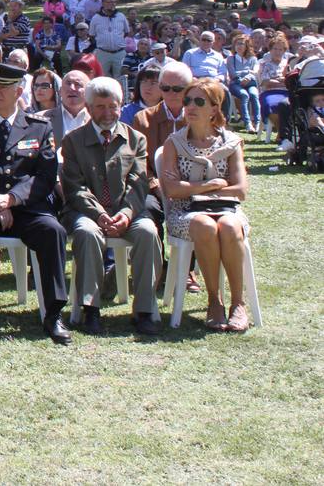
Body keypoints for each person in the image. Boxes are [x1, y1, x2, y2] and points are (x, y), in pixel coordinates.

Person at [0, 63, 71, 344]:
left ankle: (53, 313)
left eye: (3, 88)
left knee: (52, 231)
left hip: (27, 206)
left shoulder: (39, 128)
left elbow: (44, 175)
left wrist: (12, 199)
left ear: (19, 91)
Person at [60, 77, 162, 336]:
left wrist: (126, 214)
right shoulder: (73, 140)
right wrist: (100, 214)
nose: (107, 113)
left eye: (113, 106)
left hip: (128, 210)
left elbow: (139, 183)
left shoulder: (135, 139)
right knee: (86, 232)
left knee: (148, 232)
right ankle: (90, 308)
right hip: (88, 211)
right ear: (89, 107)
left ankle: (144, 309)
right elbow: (74, 186)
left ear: (121, 105)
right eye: (100, 107)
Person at [157, 77, 252, 332]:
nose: (190, 106)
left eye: (199, 101)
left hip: (228, 208)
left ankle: (238, 304)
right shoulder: (174, 143)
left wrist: (194, 189)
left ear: (214, 108)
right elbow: (173, 190)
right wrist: (210, 186)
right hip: (185, 212)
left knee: (230, 227)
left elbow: (240, 189)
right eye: (187, 100)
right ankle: (214, 302)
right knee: (204, 225)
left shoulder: (231, 143)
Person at [226, 34, 260, 132]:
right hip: (236, 84)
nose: (239, 46)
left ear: (247, 46)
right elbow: (232, 74)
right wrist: (246, 73)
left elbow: (255, 71)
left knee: (254, 94)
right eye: (237, 44)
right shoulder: (231, 59)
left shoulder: (253, 59)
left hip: (250, 82)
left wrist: (248, 76)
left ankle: (257, 122)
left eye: (242, 44)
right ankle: (247, 123)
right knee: (244, 95)